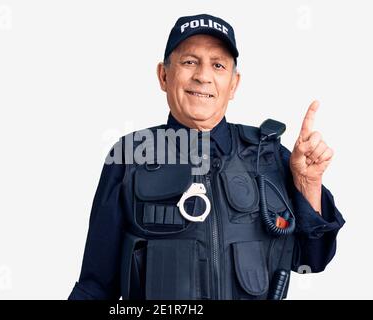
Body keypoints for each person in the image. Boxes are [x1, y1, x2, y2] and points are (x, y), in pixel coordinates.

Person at [68, 13, 345, 300]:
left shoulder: (268, 153)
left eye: (218, 65)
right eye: (190, 62)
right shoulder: (130, 155)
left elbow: (311, 261)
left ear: (234, 84)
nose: (203, 76)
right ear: (164, 75)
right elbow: (96, 286)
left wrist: (308, 183)